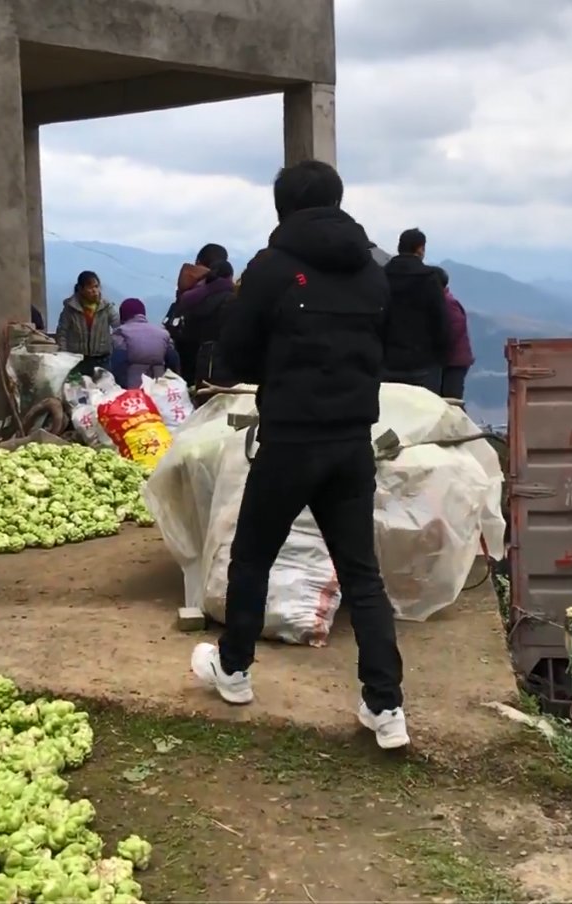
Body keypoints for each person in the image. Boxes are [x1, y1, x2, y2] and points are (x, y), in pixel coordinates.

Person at [189, 159, 410, 750]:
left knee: (253, 555)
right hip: (351, 443)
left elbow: (233, 355)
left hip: (290, 438)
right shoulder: (373, 271)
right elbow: (383, 350)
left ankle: (233, 672)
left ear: (283, 207)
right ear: (338, 202)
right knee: (362, 576)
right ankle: (385, 707)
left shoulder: (272, 267)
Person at [382, 228, 449, 393]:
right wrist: (441, 354)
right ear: (420, 248)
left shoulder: (382, 276)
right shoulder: (429, 278)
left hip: (387, 360)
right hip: (423, 360)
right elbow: (439, 319)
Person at [165, 245, 234, 385]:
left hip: (185, 361)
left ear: (198, 262)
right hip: (220, 365)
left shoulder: (186, 295)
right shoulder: (231, 297)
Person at [54, 271, 119, 377]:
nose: (94, 291)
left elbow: (117, 325)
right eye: (90, 287)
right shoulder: (71, 308)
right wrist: (64, 355)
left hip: (102, 359)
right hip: (78, 360)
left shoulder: (106, 307)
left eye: (96, 286)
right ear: (80, 289)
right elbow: (62, 332)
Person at [111, 298, 180, 388]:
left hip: (133, 388)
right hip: (158, 387)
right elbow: (172, 359)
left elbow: (118, 362)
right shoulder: (162, 333)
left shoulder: (121, 332)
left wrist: (120, 386)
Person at [431, 266, 474, 401]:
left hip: (453, 361)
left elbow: (455, 330)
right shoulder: (444, 301)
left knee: (451, 400)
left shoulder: (447, 303)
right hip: (452, 359)